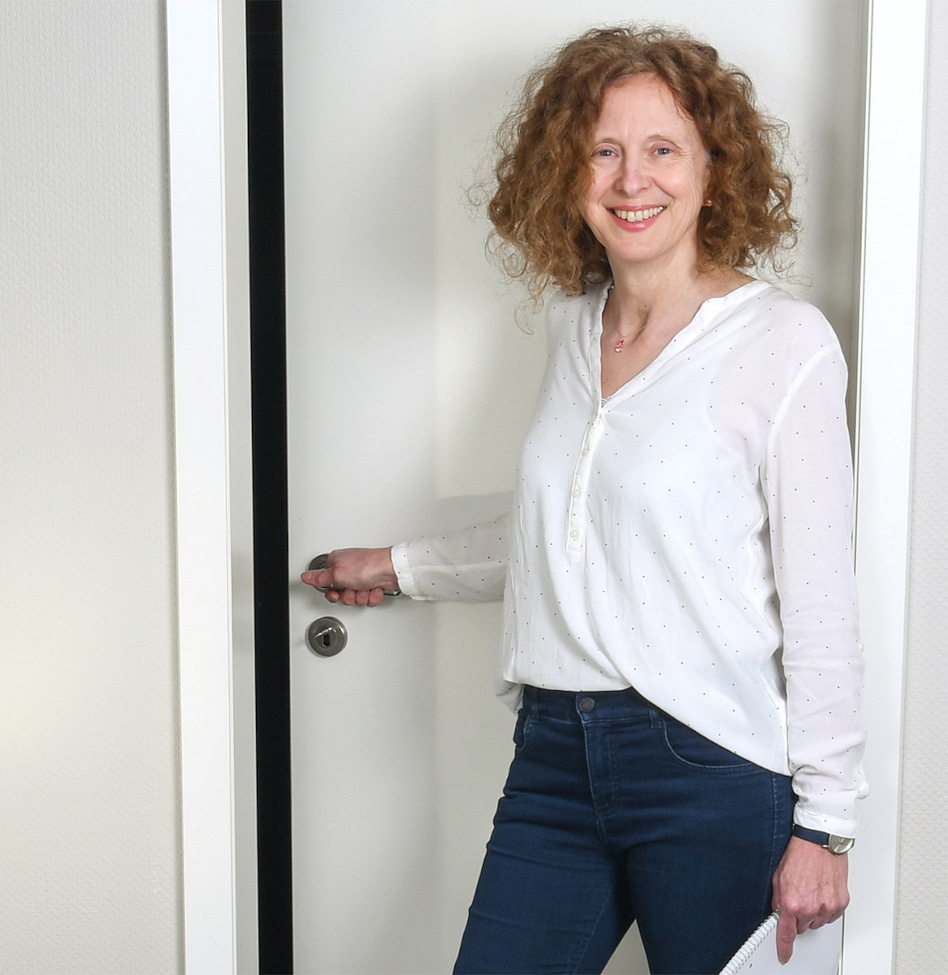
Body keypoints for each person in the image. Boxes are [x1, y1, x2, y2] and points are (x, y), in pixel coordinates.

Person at [300, 25, 865, 975]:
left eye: (661, 149)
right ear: (569, 171)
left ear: (715, 172)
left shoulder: (783, 342)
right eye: (603, 150)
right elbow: (565, 537)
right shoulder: (571, 330)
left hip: (713, 767)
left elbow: (820, 599)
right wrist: (397, 567)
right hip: (555, 757)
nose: (630, 179)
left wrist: (829, 825)